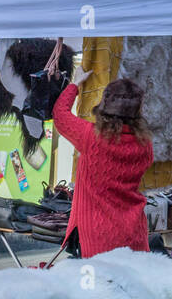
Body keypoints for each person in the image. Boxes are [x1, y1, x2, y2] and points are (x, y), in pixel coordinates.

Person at [52, 69, 154, 257]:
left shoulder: (90, 136)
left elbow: (60, 115)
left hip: (96, 238)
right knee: (131, 286)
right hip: (134, 235)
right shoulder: (145, 145)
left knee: (97, 286)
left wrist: (75, 84)